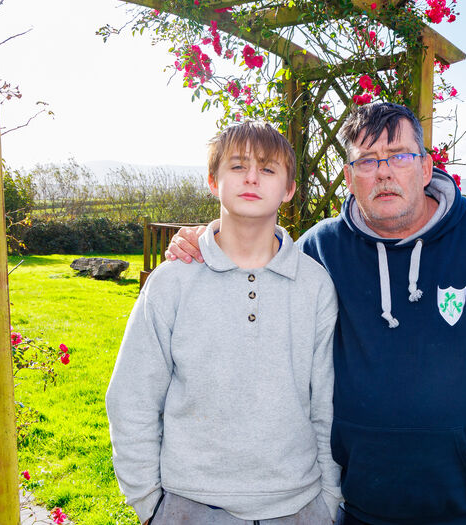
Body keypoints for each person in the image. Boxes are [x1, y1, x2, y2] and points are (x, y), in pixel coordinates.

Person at [165, 102, 466, 525]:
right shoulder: (321, 250)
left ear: (424, 167)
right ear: (348, 178)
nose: (384, 172)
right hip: (363, 502)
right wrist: (207, 238)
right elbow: (253, 262)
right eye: (366, 161)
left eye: (399, 156)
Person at [106, 121, 342, 525]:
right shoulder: (173, 280)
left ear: (288, 191)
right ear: (213, 181)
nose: (252, 177)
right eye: (237, 166)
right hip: (187, 506)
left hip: (300, 506)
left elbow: (326, 405)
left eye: (268, 169)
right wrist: (149, 503)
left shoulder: (315, 285)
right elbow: (133, 398)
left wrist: (329, 499)